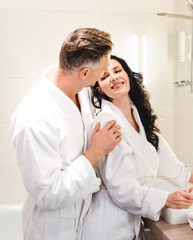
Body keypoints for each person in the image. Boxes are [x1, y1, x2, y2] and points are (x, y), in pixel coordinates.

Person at [10, 28, 122, 240]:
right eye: (104, 71)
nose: (106, 72)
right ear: (85, 73)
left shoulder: (79, 89)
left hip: (81, 220)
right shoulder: (35, 118)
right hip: (53, 230)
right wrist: (95, 152)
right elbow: (48, 194)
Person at [82, 55, 193, 240]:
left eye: (117, 70)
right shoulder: (108, 122)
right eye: (105, 76)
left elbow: (159, 152)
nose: (113, 77)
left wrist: (186, 175)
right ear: (99, 88)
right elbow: (121, 187)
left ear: (128, 74)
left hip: (125, 221)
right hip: (108, 226)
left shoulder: (137, 114)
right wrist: (165, 199)